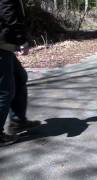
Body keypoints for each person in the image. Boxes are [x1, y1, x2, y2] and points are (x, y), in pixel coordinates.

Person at [0, 0, 41, 146]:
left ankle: (17, 122)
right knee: (5, 91)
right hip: (2, 45)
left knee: (19, 77)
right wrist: (21, 40)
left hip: (6, 45)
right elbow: (8, 13)